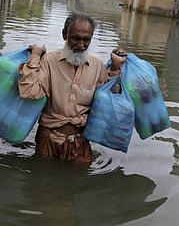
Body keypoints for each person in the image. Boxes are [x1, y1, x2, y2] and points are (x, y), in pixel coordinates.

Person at [18, 11, 126, 164]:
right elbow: (29, 92)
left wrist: (116, 67)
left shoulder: (97, 65)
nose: (81, 45)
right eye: (75, 38)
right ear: (64, 34)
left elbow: (111, 103)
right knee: (42, 182)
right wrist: (35, 57)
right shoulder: (49, 61)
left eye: (86, 40)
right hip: (48, 138)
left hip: (80, 141)